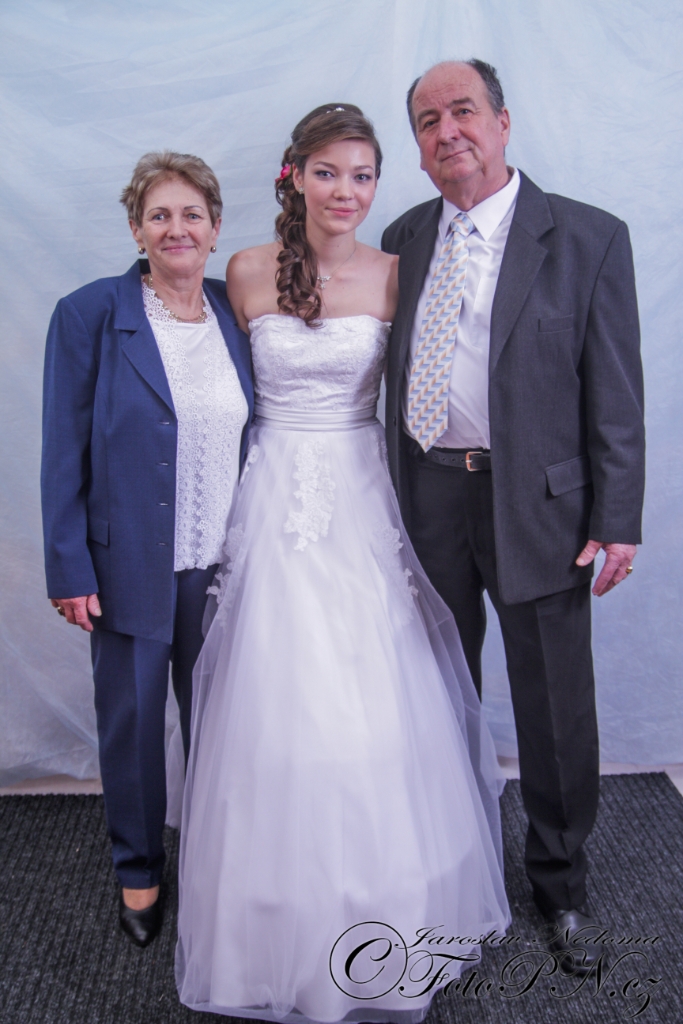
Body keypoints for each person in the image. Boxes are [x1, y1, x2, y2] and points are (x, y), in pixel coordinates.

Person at [175, 104, 509, 1022]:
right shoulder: (245, 271)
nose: (347, 192)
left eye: (362, 175)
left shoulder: (400, 274)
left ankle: (388, 902)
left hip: (363, 494)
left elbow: (448, 381)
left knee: (371, 690)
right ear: (293, 177)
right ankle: (269, 910)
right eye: (328, 172)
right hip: (272, 496)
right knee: (272, 688)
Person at [381, 60, 645, 971]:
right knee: (434, 692)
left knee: (552, 703)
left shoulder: (587, 237)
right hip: (427, 493)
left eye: (462, 111)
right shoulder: (405, 235)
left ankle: (560, 887)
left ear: (501, 122)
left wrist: (618, 515)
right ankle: (448, 865)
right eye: (427, 121)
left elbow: (615, 394)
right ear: (417, 148)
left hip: (539, 506)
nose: (446, 131)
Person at [41, 151, 253, 947]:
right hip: (124, 564)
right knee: (131, 726)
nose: (176, 229)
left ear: (215, 227)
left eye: (191, 214)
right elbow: (62, 449)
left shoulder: (238, 313)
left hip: (222, 567)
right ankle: (138, 869)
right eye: (158, 215)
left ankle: (217, 859)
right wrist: (68, 564)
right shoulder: (90, 314)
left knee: (221, 724)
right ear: (136, 228)